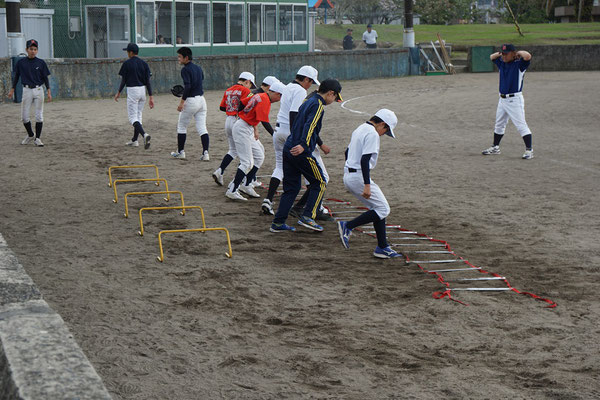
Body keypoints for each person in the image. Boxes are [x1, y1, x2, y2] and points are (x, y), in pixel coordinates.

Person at [270, 79, 342, 233]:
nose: (334, 101)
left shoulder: (307, 101)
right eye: (335, 98)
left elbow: (296, 123)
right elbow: (310, 126)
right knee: (320, 181)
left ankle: (278, 222)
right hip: (299, 150)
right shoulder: (317, 106)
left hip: (289, 146)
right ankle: (308, 216)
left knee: (292, 188)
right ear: (330, 93)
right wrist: (303, 145)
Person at [337, 109, 403, 259]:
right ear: (382, 124)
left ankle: (382, 247)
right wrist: (366, 184)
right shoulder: (372, 133)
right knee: (383, 208)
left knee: (377, 207)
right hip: (358, 177)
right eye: (385, 131)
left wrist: (350, 167)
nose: (383, 134)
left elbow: (347, 152)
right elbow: (365, 160)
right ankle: (348, 226)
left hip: (349, 174)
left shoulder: (360, 128)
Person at [261, 65, 320, 215]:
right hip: (289, 131)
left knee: (279, 166)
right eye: (310, 82)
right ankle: (310, 204)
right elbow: (294, 113)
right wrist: (297, 137)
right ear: (306, 79)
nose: (310, 85)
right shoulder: (300, 90)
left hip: (278, 130)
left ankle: (268, 200)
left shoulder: (287, 87)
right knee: (309, 167)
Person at [225, 81, 286, 201]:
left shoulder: (259, 95)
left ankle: (246, 184)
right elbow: (264, 121)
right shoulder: (265, 100)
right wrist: (274, 135)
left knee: (259, 155)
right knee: (247, 162)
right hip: (243, 127)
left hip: (246, 126)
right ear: (276, 94)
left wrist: (243, 117)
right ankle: (232, 189)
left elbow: (241, 104)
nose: (279, 99)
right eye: (280, 96)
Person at [482, 44, 534, 159]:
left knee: (521, 125)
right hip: (502, 99)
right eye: (503, 53)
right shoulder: (502, 63)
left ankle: (529, 150)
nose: (504, 56)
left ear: (513, 54)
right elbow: (492, 57)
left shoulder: (519, 65)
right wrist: (501, 54)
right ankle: (495, 147)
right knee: (499, 124)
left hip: (514, 100)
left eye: (506, 54)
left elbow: (528, 56)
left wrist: (517, 53)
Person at [212, 72, 256, 186]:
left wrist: (232, 107)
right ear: (248, 82)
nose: (250, 87)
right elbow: (248, 106)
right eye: (250, 84)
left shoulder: (229, 90)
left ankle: (220, 171)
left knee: (233, 150)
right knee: (246, 151)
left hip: (228, 120)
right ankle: (244, 180)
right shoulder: (246, 91)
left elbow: (222, 107)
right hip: (238, 121)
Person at [8, 39, 51, 147]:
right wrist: (12, 89)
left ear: (37, 51)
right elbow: (17, 76)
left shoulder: (41, 63)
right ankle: (31, 134)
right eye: (31, 49)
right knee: (24, 116)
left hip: (38, 89)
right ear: (27, 49)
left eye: (35, 49)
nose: (33, 51)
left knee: (39, 115)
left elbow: (45, 78)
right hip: (26, 90)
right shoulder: (21, 63)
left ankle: (38, 138)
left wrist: (49, 91)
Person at [171, 47, 210, 160]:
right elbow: (200, 79)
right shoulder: (198, 68)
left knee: (182, 126)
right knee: (202, 127)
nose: (178, 58)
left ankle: (181, 152)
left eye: (180, 56)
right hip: (202, 100)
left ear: (186, 58)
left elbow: (188, 86)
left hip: (191, 101)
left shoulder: (185, 70)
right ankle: (205, 153)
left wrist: (182, 102)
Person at [113, 43, 154, 149]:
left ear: (131, 52)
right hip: (142, 91)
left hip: (132, 91)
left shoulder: (127, 63)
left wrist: (118, 92)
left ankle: (144, 135)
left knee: (132, 118)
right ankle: (135, 140)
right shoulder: (144, 64)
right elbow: (148, 81)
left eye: (127, 51)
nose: (127, 53)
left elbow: (124, 80)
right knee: (138, 115)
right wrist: (151, 96)